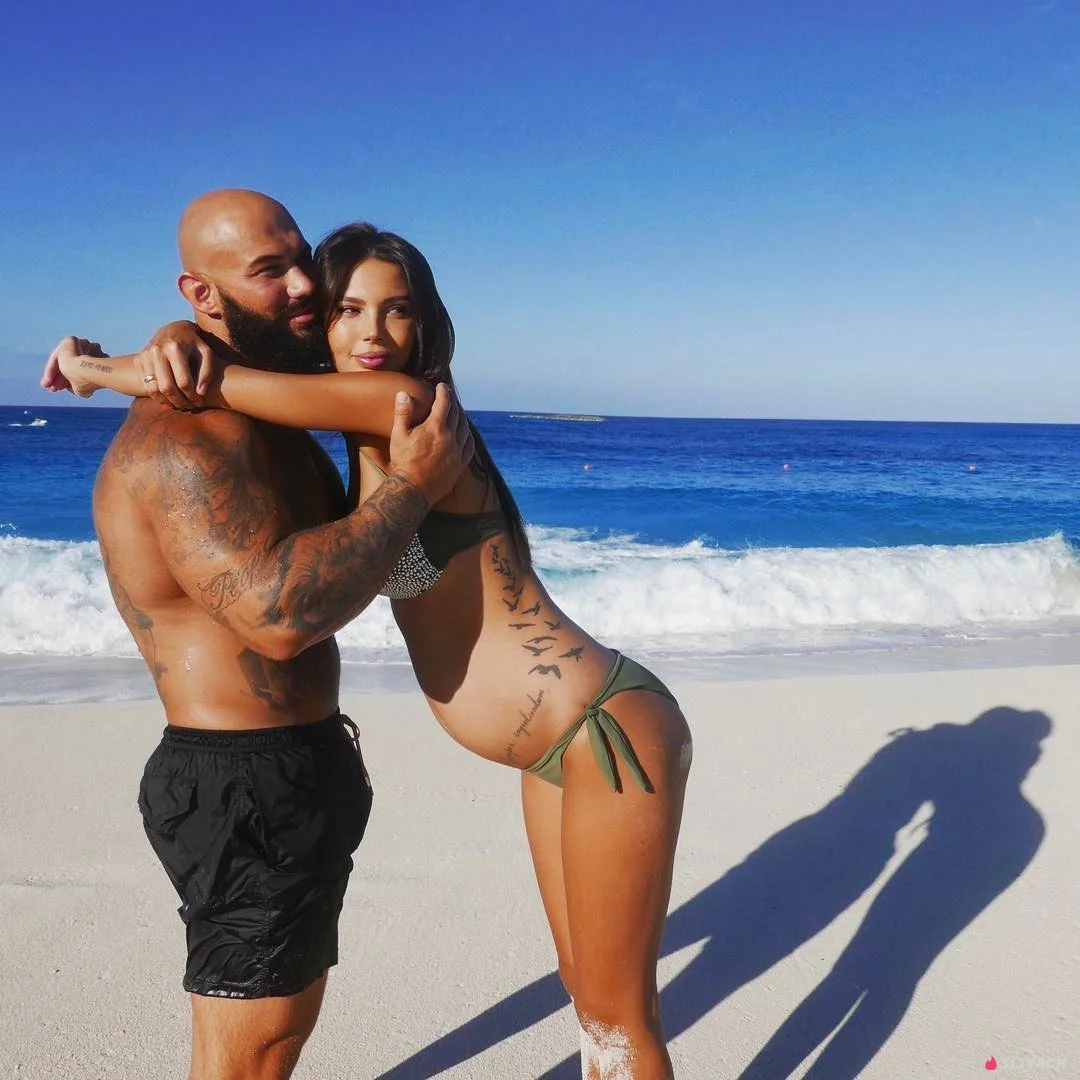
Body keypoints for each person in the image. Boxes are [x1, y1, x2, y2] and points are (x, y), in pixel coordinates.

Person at [51, 222, 693, 1080]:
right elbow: (241, 387)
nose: (374, 332)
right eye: (349, 310)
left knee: (619, 1024)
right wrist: (163, 340)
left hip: (602, 729)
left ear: (426, 324)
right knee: (587, 996)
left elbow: (222, 381)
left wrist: (95, 369)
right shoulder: (366, 433)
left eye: (397, 311)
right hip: (554, 746)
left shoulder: (400, 402)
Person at [41, 194, 474, 1080]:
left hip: (284, 772)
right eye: (268, 272)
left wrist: (129, 355)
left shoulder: (265, 416)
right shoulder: (188, 439)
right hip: (244, 786)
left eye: (300, 259)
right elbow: (276, 618)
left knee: (260, 1039)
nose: (305, 286)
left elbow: (377, 565)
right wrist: (412, 491)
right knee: (257, 1048)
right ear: (202, 294)